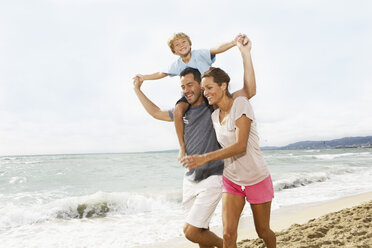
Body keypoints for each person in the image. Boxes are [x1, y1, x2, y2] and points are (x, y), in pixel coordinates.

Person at [133, 36, 254, 248]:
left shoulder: (215, 107)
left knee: (190, 231)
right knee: (200, 233)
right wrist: (138, 89)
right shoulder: (183, 112)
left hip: (214, 176)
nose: (186, 89)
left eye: (190, 84)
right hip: (190, 179)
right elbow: (154, 112)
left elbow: (249, 91)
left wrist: (245, 53)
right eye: (183, 86)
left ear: (201, 84)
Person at [181, 40, 276, 248]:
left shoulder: (240, 104)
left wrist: (245, 53)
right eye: (204, 88)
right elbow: (190, 97)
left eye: (210, 87)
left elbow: (241, 146)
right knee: (228, 235)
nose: (206, 92)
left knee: (263, 231)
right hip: (232, 180)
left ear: (223, 86)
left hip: (256, 178)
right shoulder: (214, 115)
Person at [134, 32, 246, 161]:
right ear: (174, 51)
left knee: (218, 111)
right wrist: (144, 77)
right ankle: (182, 147)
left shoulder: (199, 54)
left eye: (183, 42)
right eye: (177, 44)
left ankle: (227, 139)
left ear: (190, 43)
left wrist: (234, 42)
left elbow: (217, 49)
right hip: (191, 96)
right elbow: (161, 73)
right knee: (177, 111)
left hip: (207, 90)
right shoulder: (177, 65)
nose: (181, 45)